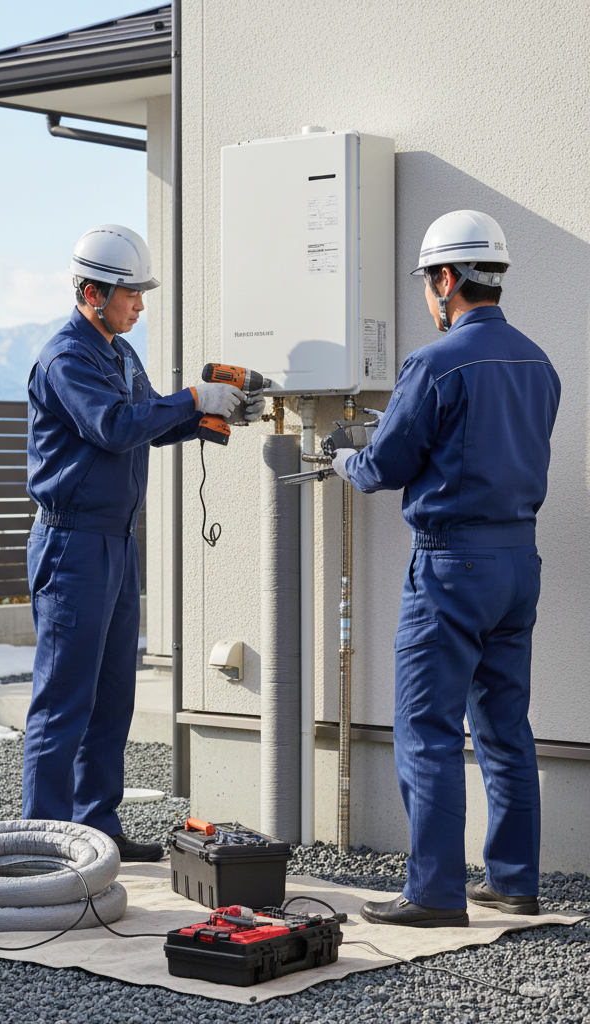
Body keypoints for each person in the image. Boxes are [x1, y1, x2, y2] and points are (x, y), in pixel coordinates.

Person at [332, 210, 561, 926]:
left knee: (427, 727)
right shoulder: (539, 362)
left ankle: (433, 893)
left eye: (430, 282)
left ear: (445, 279)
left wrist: (342, 458)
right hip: (518, 560)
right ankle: (513, 881)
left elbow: (387, 465)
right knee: (504, 724)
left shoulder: (434, 364)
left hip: (450, 564)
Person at [24, 223, 264, 860]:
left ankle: (97, 829)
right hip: (71, 546)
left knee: (111, 696)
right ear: (91, 292)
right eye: (130, 293)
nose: (140, 304)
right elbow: (111, 426)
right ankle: (44, 844)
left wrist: (208, 415)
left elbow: (145, 425)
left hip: (114, 545)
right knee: (63, 700)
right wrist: (192, 396)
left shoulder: (119, 354)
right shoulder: (67, 358)